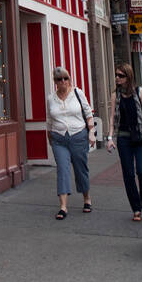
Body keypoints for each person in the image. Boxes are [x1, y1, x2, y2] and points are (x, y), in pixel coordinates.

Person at [106, 65, 142, 221]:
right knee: (128, 174)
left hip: (141, 137)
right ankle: (136, 208)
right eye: (116, 75)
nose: (117, 78)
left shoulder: (140, 92)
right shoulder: (116, 95)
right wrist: (109, 138)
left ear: (129, 76)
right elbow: (112, 117)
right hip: (124, 138)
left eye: (121, 75)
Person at [46, 67, 95, 219]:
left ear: (69, 79)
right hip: (59, 138)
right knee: (62, 169)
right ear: (55, 82)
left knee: (81, 169)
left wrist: (92, 133)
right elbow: (49, 120)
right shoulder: (51, 99)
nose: (63, 82)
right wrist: (50, 138)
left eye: (65, 78)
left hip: (78, 136)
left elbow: (88, 113)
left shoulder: (77, 93)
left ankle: (87, 198)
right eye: (59, 79)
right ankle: (63, 206)